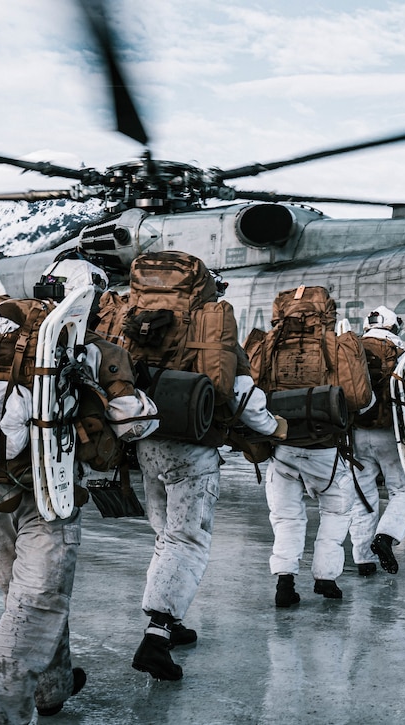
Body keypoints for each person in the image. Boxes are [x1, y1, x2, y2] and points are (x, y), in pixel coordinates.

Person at [0, 258, 160, 722]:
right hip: (50, 496)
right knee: (37, 605)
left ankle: (52, 689)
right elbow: (133, 420)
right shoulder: (93, 349)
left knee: (20, 595)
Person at [121, 252, 284, 681]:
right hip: (191, 449)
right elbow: (241, 395)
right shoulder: (211, 331)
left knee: (165, 537)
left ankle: (170, 623)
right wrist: (274, 428)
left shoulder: (142, 325)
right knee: (187, 541)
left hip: (146, 443)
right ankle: (156, 636)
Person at [246, 285, 373, 607]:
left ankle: (285, 583)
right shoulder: (337, 345)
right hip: (325, 451)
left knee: (287, 519)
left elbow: (251, 392)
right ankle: (326, 578)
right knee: (335, 511)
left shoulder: (269, 345)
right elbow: (359, 398)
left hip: (282, 448)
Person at [349, 306, 405, 575]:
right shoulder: (403, 355)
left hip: (356, 434)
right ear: (394, 327)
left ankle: (363, 560)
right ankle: (385, 536)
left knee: (362, 495)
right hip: (392, 434)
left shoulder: (351, 350)